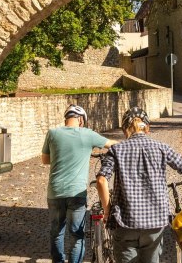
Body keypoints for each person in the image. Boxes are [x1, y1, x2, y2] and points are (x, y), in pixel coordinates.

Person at [94, 107, 182, 263]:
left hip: (125, 223)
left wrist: (107, 211)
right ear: (147, 128)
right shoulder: (162, 148)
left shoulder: (116, 149)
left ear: (125, 129)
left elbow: (101, 180)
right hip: (154, 223)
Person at [42, 104, 116, 263]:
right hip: (76, 193)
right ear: (81, 120)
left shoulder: (52, 133)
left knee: (56, 232)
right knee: (76, 234)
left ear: (66, 118)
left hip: (55, 192)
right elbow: (113, 144)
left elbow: (45, 160)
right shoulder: (87, 134)